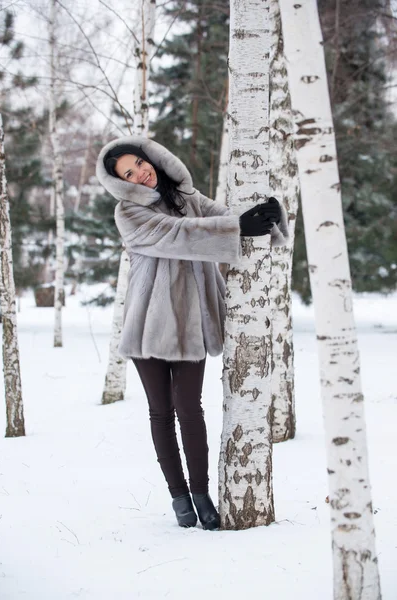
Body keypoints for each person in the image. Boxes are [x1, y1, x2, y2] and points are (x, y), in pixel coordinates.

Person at [96, 136, 289, 531]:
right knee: (161, 412)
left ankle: (201, 496)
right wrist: (236, 225)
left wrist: (266, 216)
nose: (140, 174)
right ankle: (179, 497)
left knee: (190, 410)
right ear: (122, 184)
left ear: (151, 159)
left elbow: (229, 218)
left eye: (140, 164)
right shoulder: (128, 212)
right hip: (149, 324)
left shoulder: (189, 198)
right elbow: (179, 235)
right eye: (128, 174)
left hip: (191, 324)